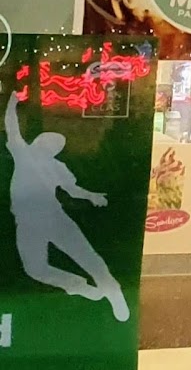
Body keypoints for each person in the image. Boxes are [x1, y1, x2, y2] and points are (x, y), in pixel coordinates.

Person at [4, 92, 130, 322]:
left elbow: (72, 189)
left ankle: (112, 289)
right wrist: (12, 103)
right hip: (28, 222)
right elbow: (12, 127)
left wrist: (90, 196)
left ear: (49, 148)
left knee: (86, 256)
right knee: (35, 268)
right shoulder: (23, 154)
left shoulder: (53, 165)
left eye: (49, 143)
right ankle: (78, 285)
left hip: (53, 217)